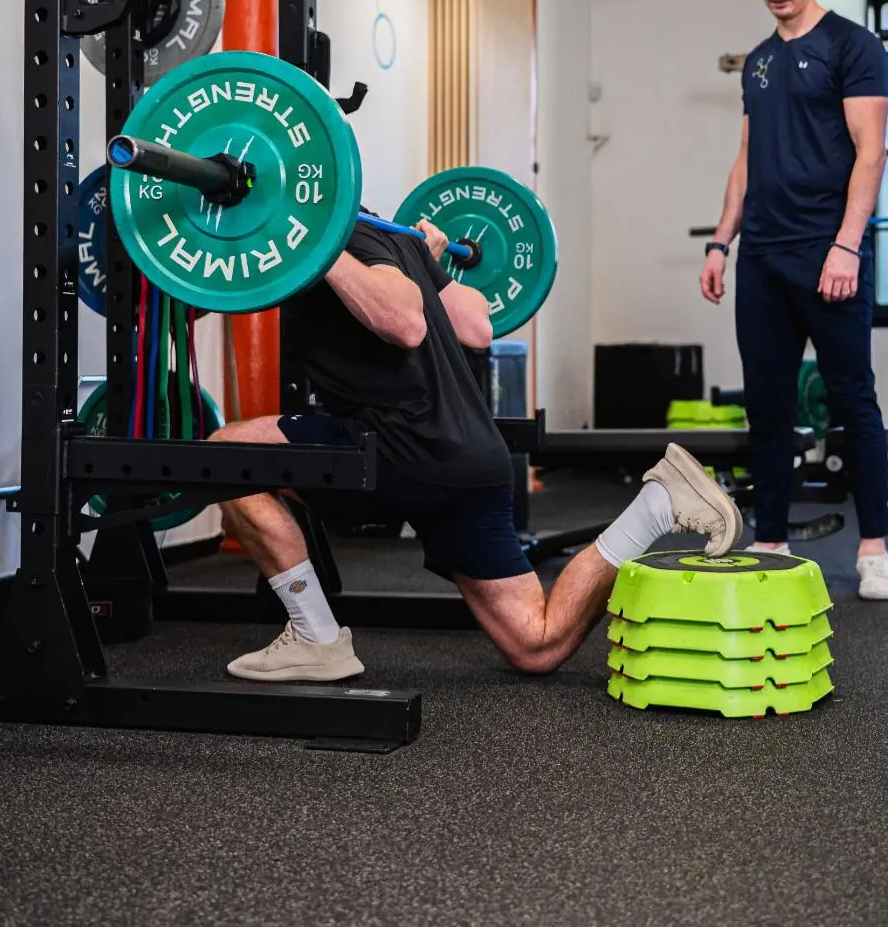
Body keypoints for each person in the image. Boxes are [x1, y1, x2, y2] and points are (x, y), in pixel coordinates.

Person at [209, 216, 743, 682]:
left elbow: (405, 321)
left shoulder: (334, 235)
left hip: (398, 449)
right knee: (537, 645)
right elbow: (476, 325)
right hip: (471, 455)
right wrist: (431, 263)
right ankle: (654, 509)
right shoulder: (399, 243)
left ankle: (316, 637)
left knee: (227, 454)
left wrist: (314, 243)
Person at [697, 0, 888, 602]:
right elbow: (746, 158)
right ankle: (772, 540)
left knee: (853, 399)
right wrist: (721, 241)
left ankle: (874, 549)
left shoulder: (853, 45)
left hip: (829, 253)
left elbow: (869, 151)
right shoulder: (757, 61)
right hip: (763, 258)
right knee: (768, 406)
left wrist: (847, 244)